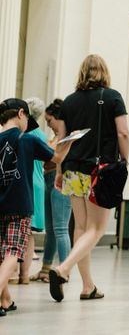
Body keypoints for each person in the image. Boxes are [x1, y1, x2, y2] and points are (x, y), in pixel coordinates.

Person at [50, 54, 129, 303]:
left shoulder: (69, 102)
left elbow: (63, 141)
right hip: (99, 171)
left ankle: (88, 286)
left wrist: (60, 170)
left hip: (73, 169)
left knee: (81, 228)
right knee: (96, 229)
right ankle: (63, 269)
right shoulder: (113, 97)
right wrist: (125, 160)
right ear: (104, 72)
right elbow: (123, 133)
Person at [0, 98, 72, 316]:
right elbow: (56, 157)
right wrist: (70, 141)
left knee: (2, 255)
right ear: (21, 114)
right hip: (20, 205)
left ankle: (5, 300)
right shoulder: (28, 139)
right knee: (13, 252)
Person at [32, 99, 72, 283]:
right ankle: (46, 269)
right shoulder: (56, 137)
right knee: (50, 230)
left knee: (61, 229)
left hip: (60, 181)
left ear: (58, 118)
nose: (47, 124)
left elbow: (56, 158)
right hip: (48, 179)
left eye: (49, 120)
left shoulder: (67, 137)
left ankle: (64, 271)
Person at [16, 98, 46, 285]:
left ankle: (11, 274)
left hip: (23, 182)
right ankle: (24, 275)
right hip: (38, 183)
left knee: (15, 229)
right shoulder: (41, 135)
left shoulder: (22, 133)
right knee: (29, 233)